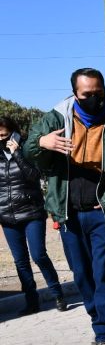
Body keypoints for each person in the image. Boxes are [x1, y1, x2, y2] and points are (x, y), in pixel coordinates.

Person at [25, 68, 105, 345]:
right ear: (75, 93)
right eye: (87, 94)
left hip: (104, 209)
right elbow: (28, 148)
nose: (94, 98)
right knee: (82, 274)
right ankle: (95, 317)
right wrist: (42, 143)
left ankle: (104, 333)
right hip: (68, 211)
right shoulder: (56, 117)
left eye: (98, 92)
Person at [0, 116, 66, 316]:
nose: (1, 139)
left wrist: (18, 154)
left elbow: (34, 176)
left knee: (38, 255)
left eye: (3, 135)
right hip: (7, 215)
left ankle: (58, 294)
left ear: (13, 132)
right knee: (20, 261)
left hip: (31, 212)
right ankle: (32, 302)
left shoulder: (28, 148)